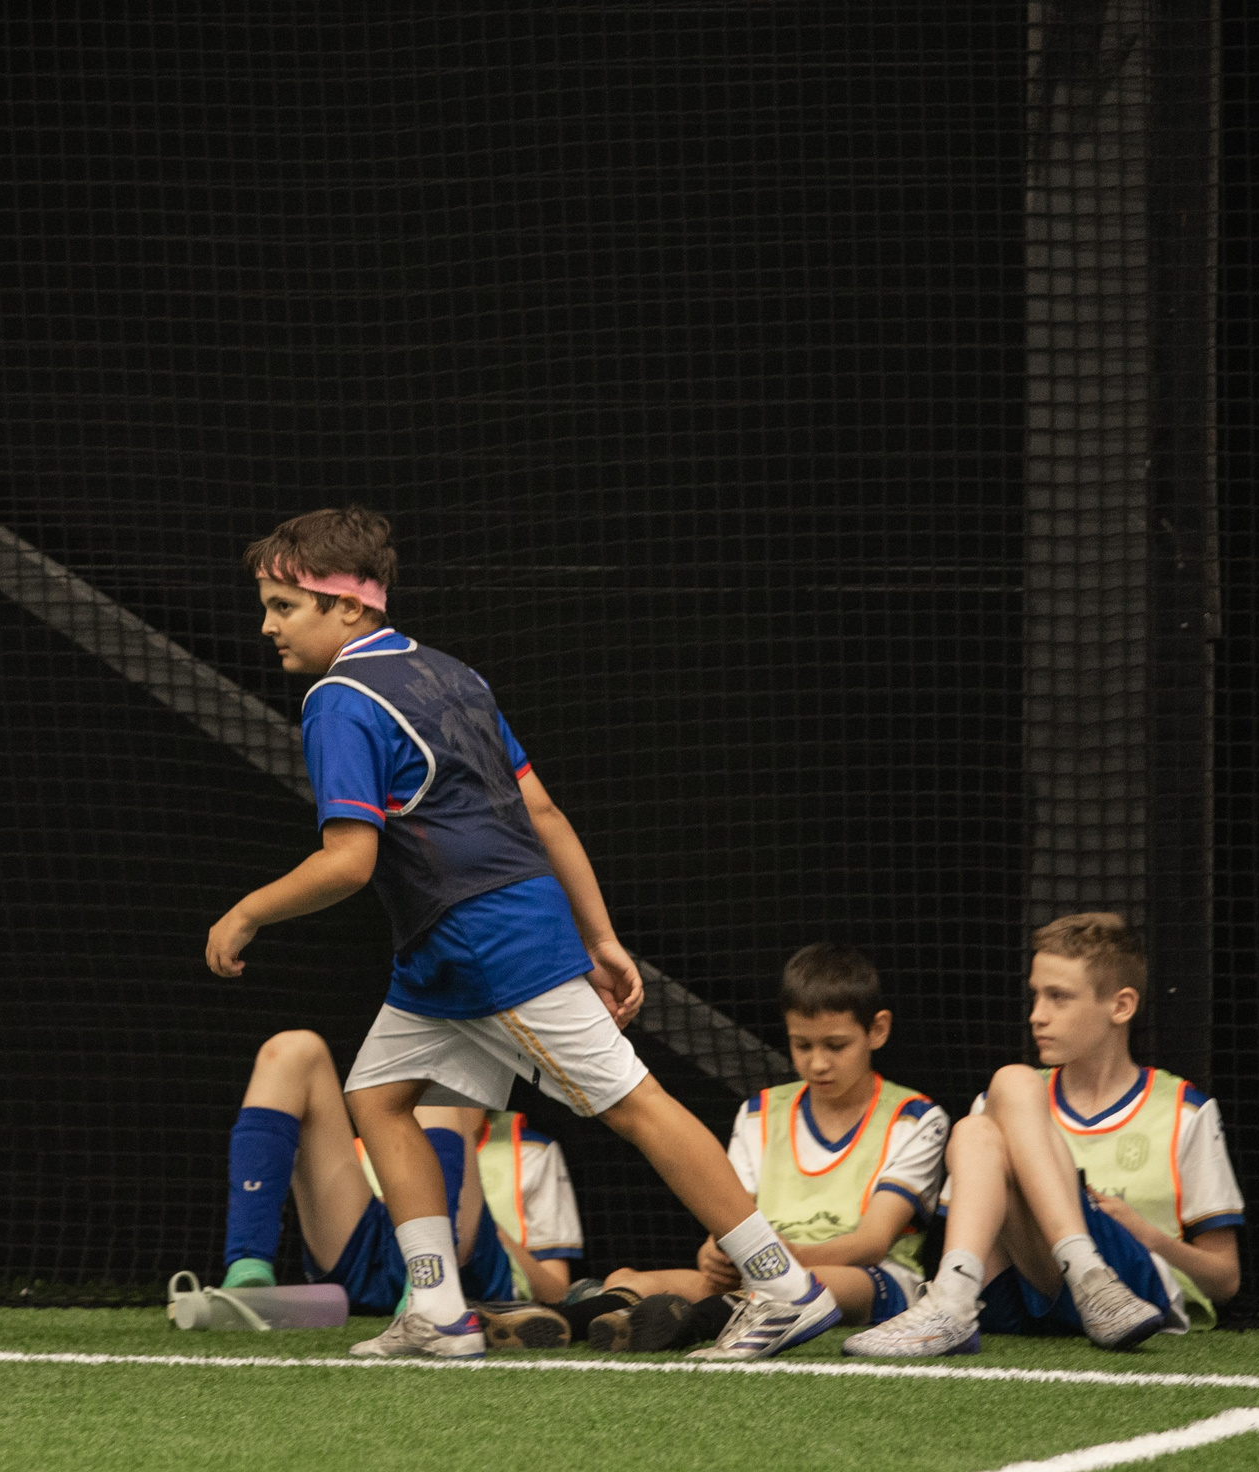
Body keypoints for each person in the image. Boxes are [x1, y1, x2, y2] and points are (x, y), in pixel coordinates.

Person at [203, 505, 832, 1361]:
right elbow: (539, 809)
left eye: (285, 605)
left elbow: (350, 860)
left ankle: (785, 1284)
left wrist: (247, 910)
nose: (267, 625)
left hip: (486, 943)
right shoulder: (457, 676)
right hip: (450, 952)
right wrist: (601, 935)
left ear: (348, 607)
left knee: (636, 1104)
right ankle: (437, 1311)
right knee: (378, 1097)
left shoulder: (337, 701)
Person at [845, 913, 1245, 1357]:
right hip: (1018, 1290)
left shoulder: (1184, 1111)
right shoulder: (999, 1105)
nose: (1037, 1015)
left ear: (1121, 1006)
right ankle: (954, 1304)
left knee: (1012, 1082)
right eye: (1035, 996)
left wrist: (1145, 1234)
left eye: (1059, 997)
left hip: (1133, 1293)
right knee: (978, 1124)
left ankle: (1093, 1281)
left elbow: (1224, 1280)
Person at [547, 944, 948, 1353]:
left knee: (838, 1282)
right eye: (802, 1045)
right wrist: (714, 1251)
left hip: (871, 1279)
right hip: (762, 1268)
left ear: (877, 1030)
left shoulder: (915, 1117)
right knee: (631, 1279)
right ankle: (577, 1320)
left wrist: (783, 1260)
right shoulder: (760, 1112)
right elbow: (728, 1209)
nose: (818, 1063)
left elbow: (873, 1242)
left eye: (836, 1045)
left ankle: (690, 1323)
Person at [217, 1029, 584, 1320]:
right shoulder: (376, 1139)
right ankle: (248, 1267)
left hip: (471, 1268)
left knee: (429, 1091)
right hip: (373, 1256)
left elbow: (555, 1292)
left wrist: (475, 1225)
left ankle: (429, 1279)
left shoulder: (531, 1151)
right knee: (292, 1050)